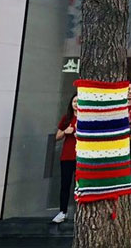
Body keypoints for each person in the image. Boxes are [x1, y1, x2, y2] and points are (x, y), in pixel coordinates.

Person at [52, 93, 78, 224]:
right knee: (65, 185)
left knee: (79, 186)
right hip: (67, 157)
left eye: (79, 101)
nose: (76, 104)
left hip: (81, 157)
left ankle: (79, 212)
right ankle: (63, 212)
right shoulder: (67, 118)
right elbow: (57, 136)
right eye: (74, 101)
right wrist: (65, 131)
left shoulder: (86, 119)